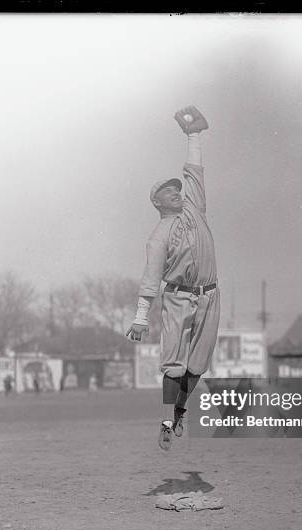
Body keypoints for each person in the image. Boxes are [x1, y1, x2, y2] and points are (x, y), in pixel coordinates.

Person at [126, 106, 220, 451]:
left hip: (210, 294)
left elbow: (194, 172)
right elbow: (151, 278)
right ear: (157, 202)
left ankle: (181, 412)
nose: (177, 192)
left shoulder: (194, 207)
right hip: (178, 297)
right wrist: (139, 318)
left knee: (197, 366)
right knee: (174, 365)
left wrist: (194, 135)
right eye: (169, 191)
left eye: (176, 189)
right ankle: (167, 422)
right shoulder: (159, 234)